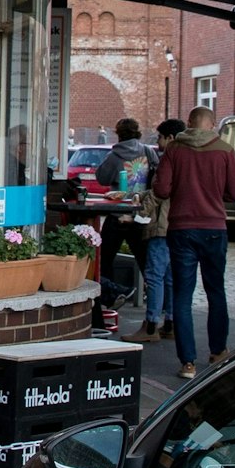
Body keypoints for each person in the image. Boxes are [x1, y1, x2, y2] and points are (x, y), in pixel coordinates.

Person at [151, 105, 235, 378]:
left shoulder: (175, 150)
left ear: (189, 124)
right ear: (212, 124)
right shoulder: (225, 150)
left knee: (182, 295)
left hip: (181, 229)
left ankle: (187, 363)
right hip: (214, 228)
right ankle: (218, 352)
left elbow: (162, 189)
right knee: (216, 291)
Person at [124, 119, 184, 344]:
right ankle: (169, 323)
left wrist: (136, 214)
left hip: (161, 226)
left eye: (160, 137)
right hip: (177, 226)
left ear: (170, 138)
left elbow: (161, 193)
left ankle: (150, 326)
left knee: (154, 276)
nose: (157, 142)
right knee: (169, 277)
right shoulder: (186, 159)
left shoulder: (169, 160)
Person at [93, 118, 159, 322]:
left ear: (118, 134)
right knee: (146, 260)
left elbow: (101, 178)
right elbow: (158, 174)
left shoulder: (114, 156)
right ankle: (157, 303)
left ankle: (111, 295)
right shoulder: (148, 151)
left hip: (117, 213)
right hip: (139, 212)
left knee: (104, 259)